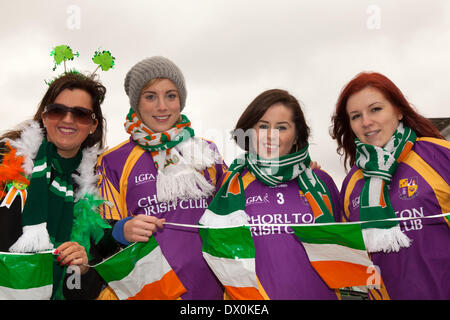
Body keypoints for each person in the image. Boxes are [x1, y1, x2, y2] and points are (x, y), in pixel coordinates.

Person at [96, 56, 227, 299]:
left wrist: (301, 171)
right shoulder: (112, 160)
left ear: (181, 101)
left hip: (211, 289)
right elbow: (98, 235)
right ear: (136, 103)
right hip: (150, 290)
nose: (162, 107)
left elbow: (239, 207)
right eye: (150, 96)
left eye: (171, 95)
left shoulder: (207, 152)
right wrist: (121, 230)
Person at [199, 89, 342, 299]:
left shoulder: (321, 183)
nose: (270, 135)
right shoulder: (230, 185)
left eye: (282, 127)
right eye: (263, 126)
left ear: (296, 137)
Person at [331, 71, 450, 300]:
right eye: (356, 116)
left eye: (375, 109)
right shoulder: (351, 183)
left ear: (398, 110)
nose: (366, 122)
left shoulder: (439, 155)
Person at [0, 72, 119, 299]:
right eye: (57, 110)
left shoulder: (94, 187)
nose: (67, 119)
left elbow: (82, 290)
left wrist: (81, 268)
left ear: (93, 125)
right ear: (45, 117)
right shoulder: (6, 160)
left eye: (81, 114)